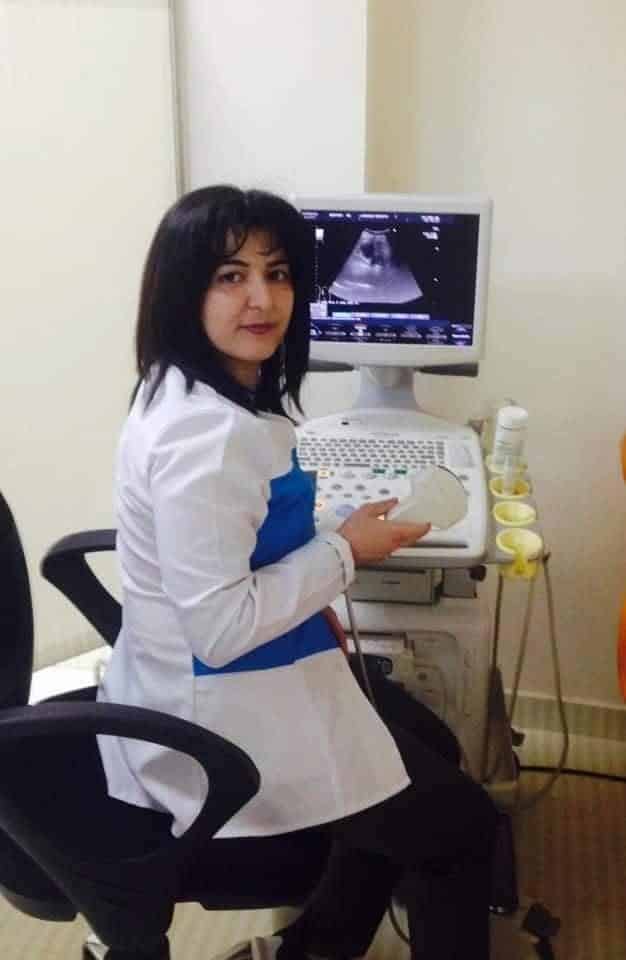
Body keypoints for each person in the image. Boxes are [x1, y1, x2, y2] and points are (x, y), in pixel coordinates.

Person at [97, 185, 498, 960]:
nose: (263, 298)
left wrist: (330, 538)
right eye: (231, 276)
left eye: (278, 273)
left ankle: (315, 949)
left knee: (427, 741)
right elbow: (221, 628)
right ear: (184, 289)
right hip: (218, 714)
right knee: (463, 827)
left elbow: (237, 533)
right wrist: (347, 549)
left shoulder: (192, 385)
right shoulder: (206, 438)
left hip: (208, 675)